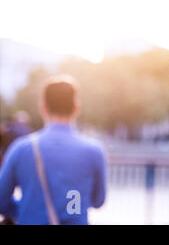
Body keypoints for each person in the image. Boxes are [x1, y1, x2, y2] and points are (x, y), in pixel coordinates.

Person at [0, 74, 107, 224]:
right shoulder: (93, 151)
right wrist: (71, 206)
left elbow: (1, 200)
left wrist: (27, 209)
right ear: (76, 108)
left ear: (43, 107)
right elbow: (98, 201)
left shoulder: (21, 148)